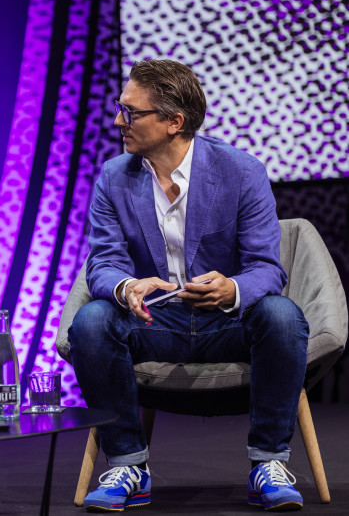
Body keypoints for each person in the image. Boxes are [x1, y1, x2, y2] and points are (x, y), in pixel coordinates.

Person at [67, 59, 309, 512]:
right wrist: (126, 288)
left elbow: (266, 268)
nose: (118, 120)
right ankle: (128, 464)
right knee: (91, 321)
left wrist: (231, 288)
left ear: (174, 122)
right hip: (153, 320)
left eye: (130, 111)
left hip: (225, 322)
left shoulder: (242, 171)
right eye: (121, 108)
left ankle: (268, 464)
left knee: (282, 315)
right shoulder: (114, 178)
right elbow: (102, 264)